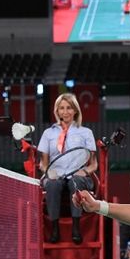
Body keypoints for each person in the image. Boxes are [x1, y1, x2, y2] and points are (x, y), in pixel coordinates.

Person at [38, 92, 97, 244]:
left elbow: (94, 164)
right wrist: (49, 172)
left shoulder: (86, 133)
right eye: (61, 108)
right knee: (52, 184)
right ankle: (55, 228)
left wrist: (84, 171)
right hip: (55, 175)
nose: (65, 112)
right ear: (56, 111)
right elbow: (43, 163)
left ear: (75, 110)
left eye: (69, 108)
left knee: (75, 182)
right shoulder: (48, 133)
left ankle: (76, 227)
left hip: (78, 176)